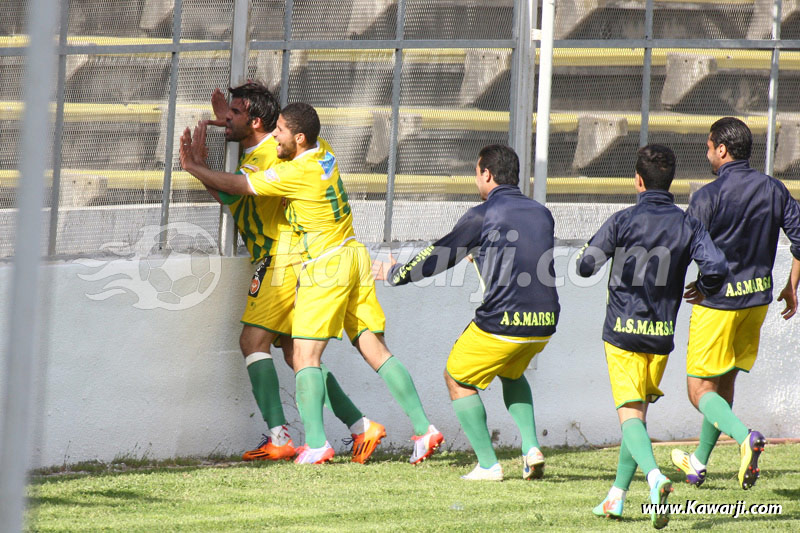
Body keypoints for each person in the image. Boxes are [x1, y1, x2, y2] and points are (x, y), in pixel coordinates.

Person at [180, 102, 443, 465]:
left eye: (282, 132)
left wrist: (195, 167)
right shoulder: (325, 152)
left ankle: (316, 443)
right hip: (354, 254)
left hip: (324, 264)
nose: (276, 136)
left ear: (298, 138)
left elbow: (242, 185)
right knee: (375, 349)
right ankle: (423, 428)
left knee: (304, 356)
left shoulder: (294, 172)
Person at [199, 84, 386, 464]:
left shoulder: (273, 157)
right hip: (293, 258)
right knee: (296, 356)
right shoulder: (267, 151)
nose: (225, 120)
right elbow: (231, 192)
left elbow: (237, 189)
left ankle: (280, 437)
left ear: (256, 121)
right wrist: (215, 151)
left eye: (234, 114)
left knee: (253, 343)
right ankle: (360, 426)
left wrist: (196, 166)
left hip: (280, 257)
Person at [374, 144, 559, 482]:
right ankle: (531, 448)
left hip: (503, 321)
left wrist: (397, 272)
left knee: (457, 377)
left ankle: (489, 465)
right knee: (512, 373)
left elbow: (439, 255)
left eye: (477, 173)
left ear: (486, 174)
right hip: (545, 322)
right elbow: (521, 257)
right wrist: (485, 255)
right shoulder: (541, 212)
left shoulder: (483, 214)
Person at [576, 145, 727, 528]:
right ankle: (615, 497)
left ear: (638, 181)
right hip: (661, 335)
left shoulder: (622, 220)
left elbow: (586, 266)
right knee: (638, 415)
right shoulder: (688, 223)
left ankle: (655, 478)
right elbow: (717, 266)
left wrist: (588, 252)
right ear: (670, 181)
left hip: (623, 333)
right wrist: (704, 287)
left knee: (628, 416)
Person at [670, 117, 800, 490]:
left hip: (719, 305)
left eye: (709, 146)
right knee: (723, 383)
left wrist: (699, 283)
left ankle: (745, 437)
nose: (707, 152)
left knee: (699, 391)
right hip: (756, 302)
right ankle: (698, 461)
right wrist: (792, 285)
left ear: (721, 150)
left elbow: (684, 249)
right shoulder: (774, 189)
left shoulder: (708, 196)